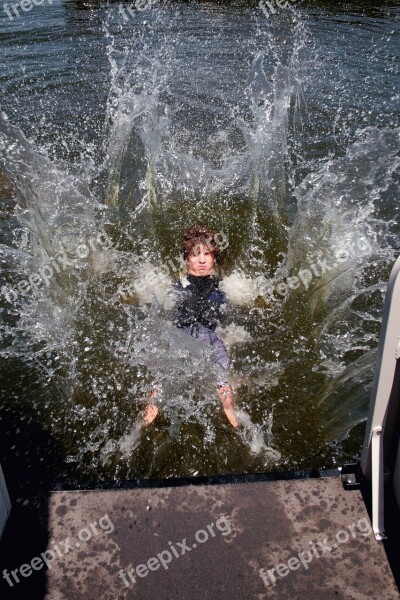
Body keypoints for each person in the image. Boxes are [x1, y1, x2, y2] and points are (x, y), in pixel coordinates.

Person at [143, 225, 239, 428]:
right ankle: (150, 411)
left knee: (219, 381)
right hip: (185, 335)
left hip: (204, 337)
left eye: (207, 255)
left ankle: (229, 409)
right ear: (186, 258)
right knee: (169, 378)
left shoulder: (222, 285)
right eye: (196, 255)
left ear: (214, 258)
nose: (202, 260)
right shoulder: (177, 284)